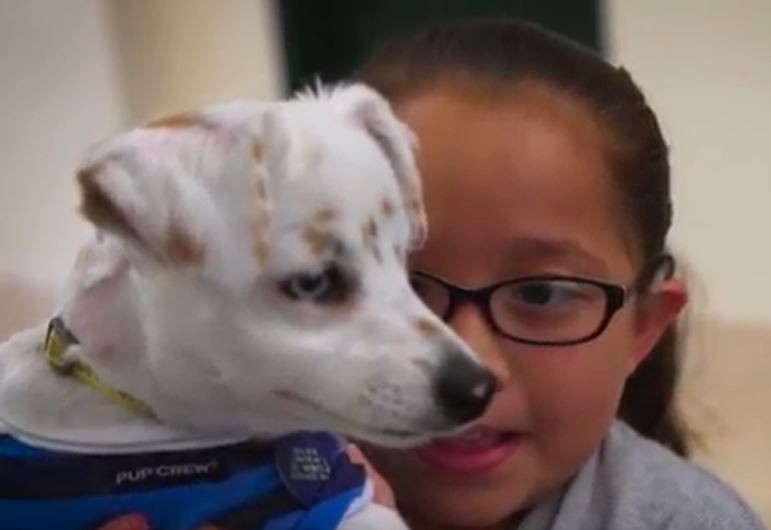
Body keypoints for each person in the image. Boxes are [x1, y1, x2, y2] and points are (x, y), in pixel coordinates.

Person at [100, 17, 764, 530]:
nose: (463, 360)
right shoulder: (176, 488)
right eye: (401, 284)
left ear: (640, 329)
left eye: (541, 293)